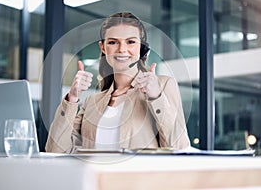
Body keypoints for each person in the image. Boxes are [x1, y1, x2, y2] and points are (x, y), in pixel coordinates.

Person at [45, 12, 190, 153]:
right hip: (97, 177)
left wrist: (156, 97)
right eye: (113, 42)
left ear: (141, 47)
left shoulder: (163, 86)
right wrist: (72, 98)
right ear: (103, 47)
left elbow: (179, 149)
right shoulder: (91, 102)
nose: (122, 49)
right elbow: (55, 150)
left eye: (131, 42)